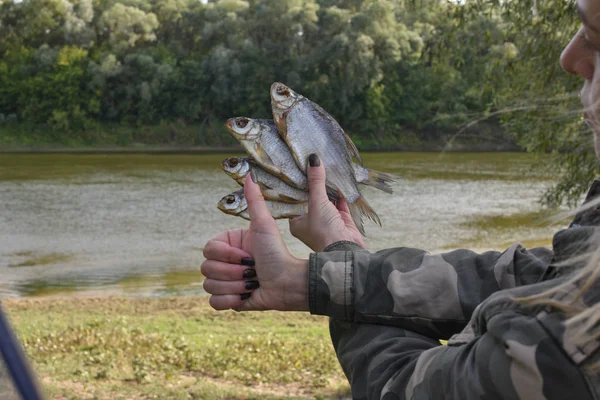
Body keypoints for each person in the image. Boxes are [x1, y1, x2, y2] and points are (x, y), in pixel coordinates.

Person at [201, 0, 600, 397]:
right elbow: (524, 277)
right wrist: (303, 279)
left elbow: (402, 386)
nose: (568, 57)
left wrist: (335, 256)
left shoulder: (579, 341)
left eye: (593, 33)